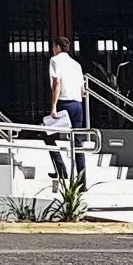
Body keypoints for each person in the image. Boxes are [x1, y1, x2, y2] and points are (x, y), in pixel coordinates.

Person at [47, 37, 87, 176]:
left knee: (48, 135)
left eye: (53, 47)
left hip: (64, 103)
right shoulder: (76, 64)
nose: (52, 49)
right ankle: (82, 181)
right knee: (77, 143)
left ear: (57, 47)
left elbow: (56, 82)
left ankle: (61, 170)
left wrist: (53, 106)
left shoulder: (55, 61)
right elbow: (82, 89)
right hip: (77, 104)